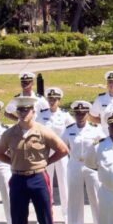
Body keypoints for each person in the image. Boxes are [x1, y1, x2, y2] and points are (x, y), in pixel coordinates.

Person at [0, 96, 69, 224]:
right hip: (18, 179)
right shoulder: (10, 133)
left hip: (38, 178)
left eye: (27, 110)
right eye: (20, 110)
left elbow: (63, 149)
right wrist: (12, 163)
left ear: (33, 112)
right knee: (18, 221)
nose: (23, 113)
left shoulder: (43, 131)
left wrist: (46, 163)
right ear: (17, 113)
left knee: (46, 219)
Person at [60, 100, 104, 224]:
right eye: (77, 113)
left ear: (87, 114)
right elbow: (62, 145)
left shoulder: (96, 129)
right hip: (74, 165)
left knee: (96, 199)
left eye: (83, 113)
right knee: (74, 200)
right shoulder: (69, 129)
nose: (80, 116)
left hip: (91, 166)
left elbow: (104, 146)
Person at [36, 87, 75, 217]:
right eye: (50, 99)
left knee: (64, 182)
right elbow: (35, 130)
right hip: (45, 152)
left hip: (60, 152)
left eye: (55, 99)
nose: (52, 102)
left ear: (59, 100)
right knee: (46, 183)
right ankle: (46, 213)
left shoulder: (64, 115)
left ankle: (66, 213)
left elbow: (73, 130)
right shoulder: (41, 115)